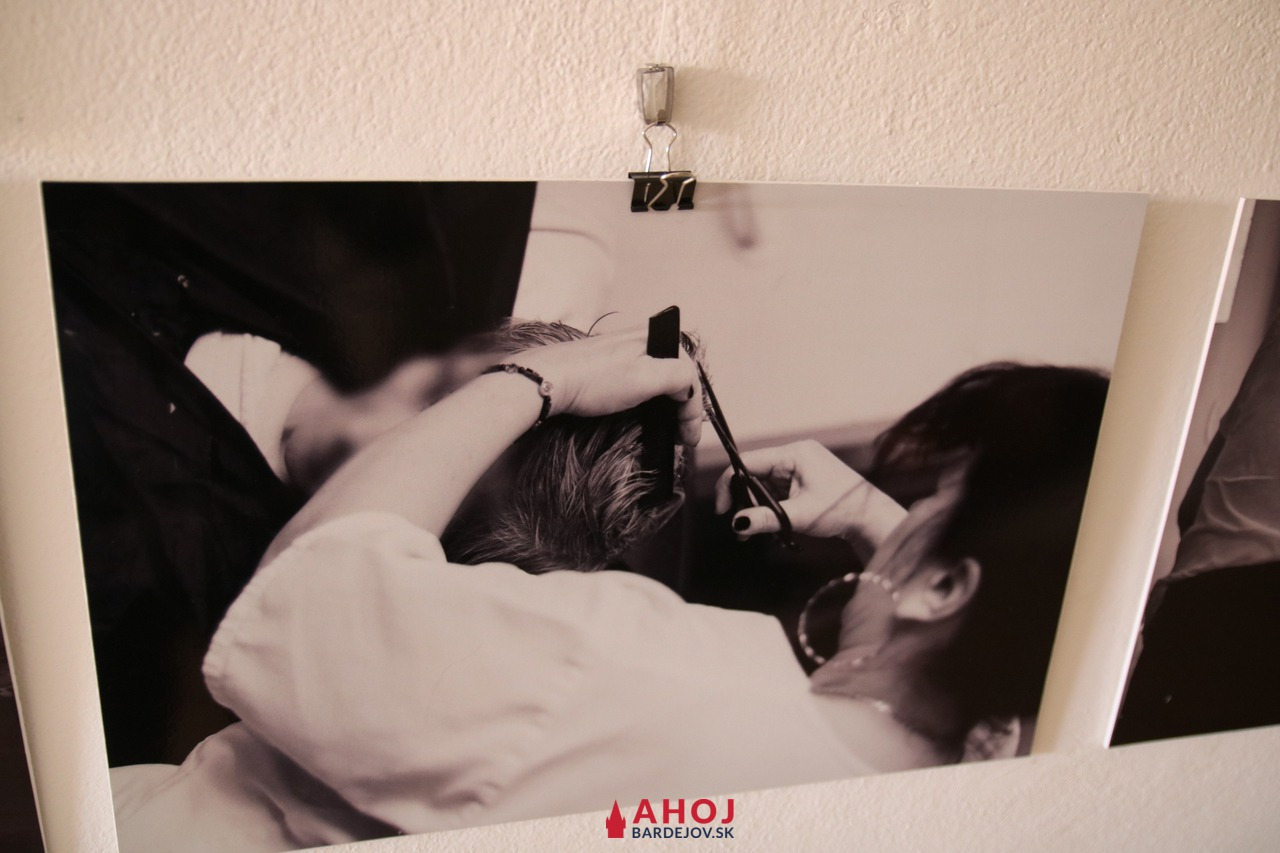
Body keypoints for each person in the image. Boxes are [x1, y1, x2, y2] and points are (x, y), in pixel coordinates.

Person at [110, 326, 1108, 852]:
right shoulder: (977, 801)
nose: (905, 512)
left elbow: (315, 594)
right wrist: (880, 531)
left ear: (946, 585)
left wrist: (537, 381)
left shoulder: (658, 681)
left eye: (933, 502)